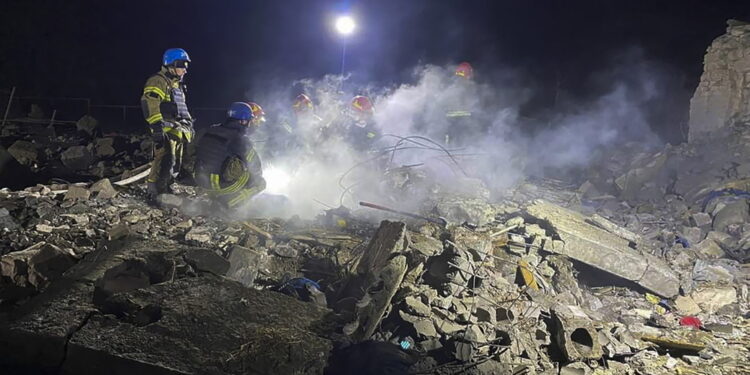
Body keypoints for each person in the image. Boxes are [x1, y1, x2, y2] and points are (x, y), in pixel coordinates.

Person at [141, 48, 195, 203]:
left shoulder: (177, 84)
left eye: (186, 65)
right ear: (171, 64)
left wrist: (189, 124)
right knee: (164, 159)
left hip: (176, 129)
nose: (185, 69)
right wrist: (156, 128)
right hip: (164, 128)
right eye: (182, 65)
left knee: (175, 161)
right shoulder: (158, 81)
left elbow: (181, 107)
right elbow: (150, 103)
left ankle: (167, 186)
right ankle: (153, 192)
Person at [194, 102, 266, 212]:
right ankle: (226, 204)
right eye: (250, 121)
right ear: (243, 121)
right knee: (260, 183)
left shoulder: (210, 130)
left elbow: (193, 151)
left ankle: (215, 197)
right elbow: (256, 167)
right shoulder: (240, 139)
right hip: (219, 187)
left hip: (201, 182)